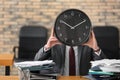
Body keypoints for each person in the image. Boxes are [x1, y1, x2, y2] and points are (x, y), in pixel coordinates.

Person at [34, 27, 107, 76]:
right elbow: (36, 62)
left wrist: (96, 48)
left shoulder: (88, 45)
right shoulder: (54, 44)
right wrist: (47, 46)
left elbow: (104, 67)